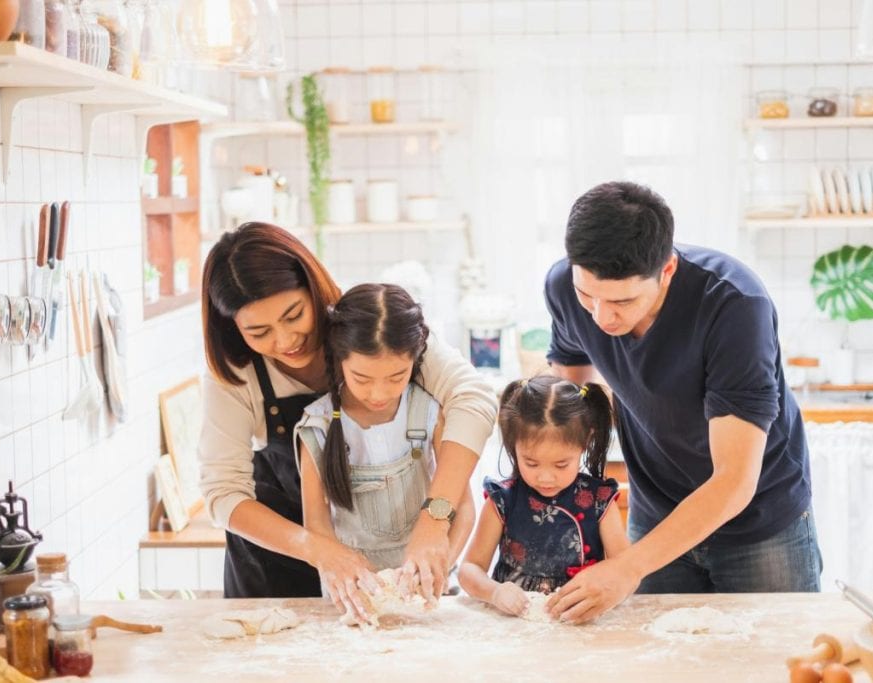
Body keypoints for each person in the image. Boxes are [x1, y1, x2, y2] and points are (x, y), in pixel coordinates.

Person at [542, 182, 820, 624]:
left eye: (622, 301)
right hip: (657, 511)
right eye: (587, 296)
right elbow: (567, 399)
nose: (600, 317)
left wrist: (627, 567)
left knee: (772, 660)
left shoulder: (734, 306)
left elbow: (733, 480)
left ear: (667, 269)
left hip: (759, 523)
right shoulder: (563, 285)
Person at [198, 222, 496, 601]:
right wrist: (319, 549)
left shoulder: (375, 331)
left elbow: (473, 398)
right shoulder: (234, 377)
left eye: (294, 315)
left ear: (313, 286)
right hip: (271, 567)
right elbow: (223, 493)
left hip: (391, 567)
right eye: (259, 332)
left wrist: (434, 522)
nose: (285, 340)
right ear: (232, 327)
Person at [296, 283, 476, 620]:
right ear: (339, 359)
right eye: (361, 378)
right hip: (351, 601)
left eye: (397, 376)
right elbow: (317, 526)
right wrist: (342, 575)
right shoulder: (316, 427)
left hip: (427, 600)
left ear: (416, 358)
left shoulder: (428, 412)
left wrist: (440, 567)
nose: (379, 393)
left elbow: (464, 508)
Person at [459, 375, 628, 618]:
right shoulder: (504, 499)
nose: (545, 478)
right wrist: (495, 593)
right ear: (513, 443)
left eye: (561, 464)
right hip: (515, 622)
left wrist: (608, 588)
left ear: (585, 443)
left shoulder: (599, 500)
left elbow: (626, 569)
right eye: (531, 463)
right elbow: (469, 569)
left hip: (581, 619)